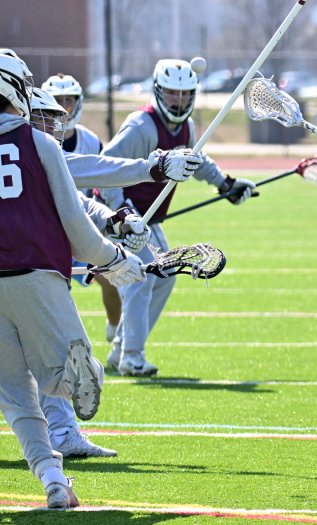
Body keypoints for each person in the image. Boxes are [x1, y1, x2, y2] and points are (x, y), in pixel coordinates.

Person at [0, 53, 145, 508]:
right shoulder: (39, 143)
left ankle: (53, 481)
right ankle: (79, 374)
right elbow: (77, 226)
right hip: (38, 275)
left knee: (16, 399)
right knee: (63, 379)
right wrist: (113, 259)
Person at [28, 87, 199, 459]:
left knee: (48, 360)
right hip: (26, 275)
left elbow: (80, 200)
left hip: (34, 272)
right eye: (45, 118)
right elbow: (91, 174)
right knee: (49, 360)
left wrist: (116, 221)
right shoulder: (30, 151)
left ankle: (61, 438)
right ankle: (59, 441)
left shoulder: (37, 151)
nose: (54, 125)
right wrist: (114, 255)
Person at [100, 58, 256, 377]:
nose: (179, 100)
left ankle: (121, 349)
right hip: (119, 218)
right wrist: (123, 212)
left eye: (186, 94)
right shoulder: (141, 126)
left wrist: (225, 184)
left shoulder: (187, 127)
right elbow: (103, 169)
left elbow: (197, 159)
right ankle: (132, 357)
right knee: (143, 277)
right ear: (159, 91)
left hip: (148, 221)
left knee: (165, 274)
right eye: (173, 93)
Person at [42, 73, 123, 343]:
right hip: (46, 232)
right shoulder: (37, 139)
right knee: (55, 296)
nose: (64, 106)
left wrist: (116, 216)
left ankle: (116, 333)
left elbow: (103, 183)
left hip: (80, 227)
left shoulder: (90, 141)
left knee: (111, 279)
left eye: (70, 100)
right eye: (58, 100)